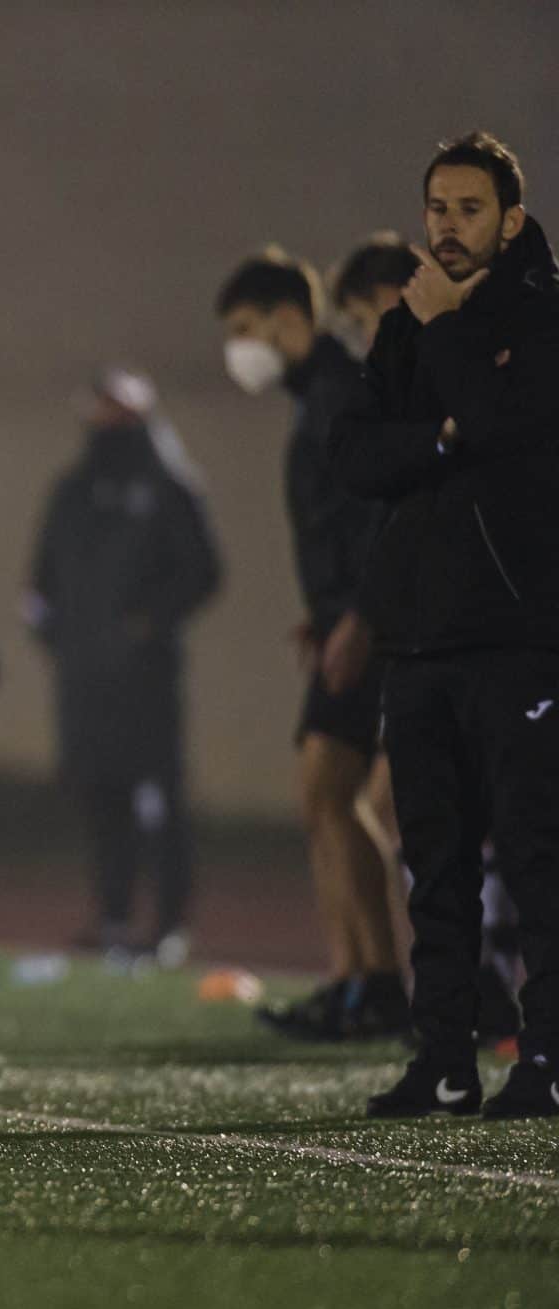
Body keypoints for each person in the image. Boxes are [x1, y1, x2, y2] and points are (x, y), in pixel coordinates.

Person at [333, 131, 559, 1120]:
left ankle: (544, 1060)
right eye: (435, 208)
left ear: (508, 220)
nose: (446, 227)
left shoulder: (535, 315)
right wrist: (441, 436)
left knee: (532, 854)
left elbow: (512, 429)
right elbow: (355, 453)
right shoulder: (405, 322)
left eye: (467, 210)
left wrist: (453, 338)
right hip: (419, 638)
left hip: (516, 635)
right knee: (433, 863)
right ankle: (444, 1058)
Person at [333, 234, 523, 1049]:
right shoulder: (404, 373)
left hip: (501, 631)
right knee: (429, 815)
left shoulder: (498, 352)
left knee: (496, 818)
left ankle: (490, 987)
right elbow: (386, 485)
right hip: (437, 629)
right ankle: (472, 990)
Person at [215, 248, 406, 1033]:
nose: (239, 348)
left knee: (332, 792)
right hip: (345, 619)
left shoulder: (334, 391)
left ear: (292, 318)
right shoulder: (314, 394)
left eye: (245, 328)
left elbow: (374, 509)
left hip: (369, 625)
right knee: (325, 795)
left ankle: (378, 983)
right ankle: (356, 978)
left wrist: (358, 616)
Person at [22, 369, 221, 964]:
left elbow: (204, 572)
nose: (109, 425)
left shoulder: (170, 486)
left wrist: (149, 621)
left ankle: (169, 924)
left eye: (122, 413)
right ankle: (111, 917)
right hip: (85, 674)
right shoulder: (73, 489)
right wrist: (53, 631)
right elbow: (42, 577)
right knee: (100, 794)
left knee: (157, 799)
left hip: (146, 676)